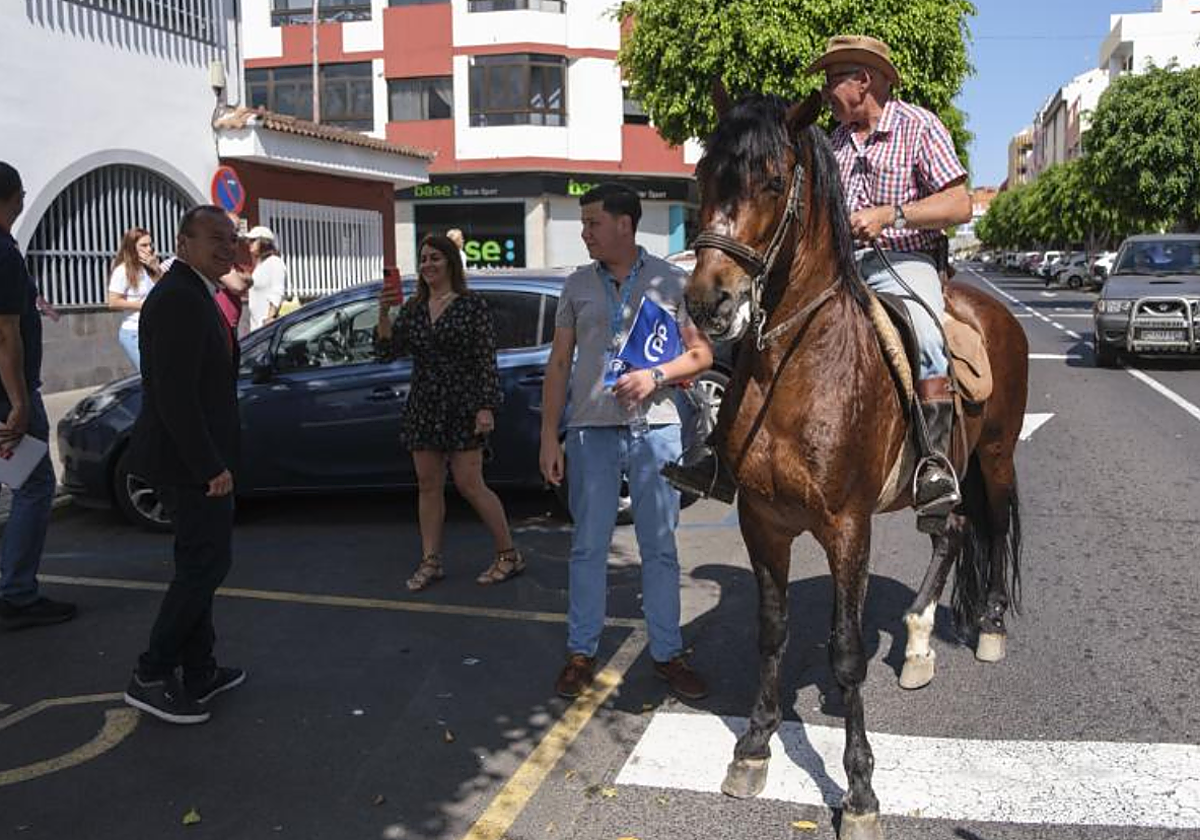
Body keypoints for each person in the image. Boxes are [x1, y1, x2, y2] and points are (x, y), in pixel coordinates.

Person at [666, 35, 972, 536]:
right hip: (840, 267)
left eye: (834, 78)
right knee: (756, 330)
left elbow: (959, 204)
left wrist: (892, 214)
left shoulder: (919, 126)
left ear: (864, 80)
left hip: (904, 258)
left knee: (926, 331)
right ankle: (721, 456)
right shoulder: (830, 140)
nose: (826, 89)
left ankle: (933, 466)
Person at [539, 184, 714, 700]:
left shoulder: (673, 282)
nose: (584, 233)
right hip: (590, 432)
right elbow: (557, 364)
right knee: (587, 547)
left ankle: (667, 653)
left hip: (655, 431)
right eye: (584, 223)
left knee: (658, 549)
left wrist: (655, 375)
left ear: (624, 224)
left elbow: (700, 356)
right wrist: (551, 435)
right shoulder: (576, 286)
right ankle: (580, 652)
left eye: (593, 222)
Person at [123, 205, 244, 725]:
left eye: (232, 239)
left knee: (202, 563)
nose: (227, 247)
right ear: (184, 241)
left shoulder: (196, 292)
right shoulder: (178, 298)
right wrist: (207, 465)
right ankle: (152, 673)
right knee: (204, 565)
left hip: (197, 459)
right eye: (215, 238)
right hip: (187, 463)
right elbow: (174, 396)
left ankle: (200, 669)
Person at [376, 234, 523, 592]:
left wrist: (485, 407)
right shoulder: (413, 308)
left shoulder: (472, 306)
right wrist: (383, 312)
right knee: (428, 485)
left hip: (462, 403)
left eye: (435, 259)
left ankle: (509, 554)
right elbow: (387, 352)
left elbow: (485, 360)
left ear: (450, 263)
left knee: (470, 484)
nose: (427, 265)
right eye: (423, 259)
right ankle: (431, 561)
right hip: (425, 403)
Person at [0, 161, 76, 631]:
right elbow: (6, 334)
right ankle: (17, 594)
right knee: (34, 485)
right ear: (16, 197)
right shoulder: (4, 253)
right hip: (8, 393)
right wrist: (21, 401)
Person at [107, 227, 162, 369]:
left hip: (155, 330)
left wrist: (156, 271)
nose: (149, 249)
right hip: (134, 332)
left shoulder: (150, 267)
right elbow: (113, 302)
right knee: (150, 376)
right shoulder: (123, 270)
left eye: (150, 244)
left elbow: (165, 292)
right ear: (132, 248)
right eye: (143, 245)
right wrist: (143, 305)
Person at [247, 225, 286, 330]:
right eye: (249, 241)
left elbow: (278, 291)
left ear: (264, 242)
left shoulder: (275, 262)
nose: (249, 244)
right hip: (256, 326)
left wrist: (270, 318)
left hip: (266, 327)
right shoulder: (260, 265)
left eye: (253, 240)